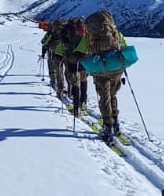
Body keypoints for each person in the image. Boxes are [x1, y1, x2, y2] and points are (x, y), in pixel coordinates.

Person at [74, 9, 129, 141]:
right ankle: (116, 123)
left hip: (100, 70)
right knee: (112, 95)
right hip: (117, 68)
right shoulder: (115, 33)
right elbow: (125, 47)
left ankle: (107, 126)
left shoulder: (90, 36)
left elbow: (80, 52)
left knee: (104, 97)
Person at [56, 17, 88, 115]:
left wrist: (60, 57)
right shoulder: (85, 29)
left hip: (72, 60)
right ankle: (83, 102)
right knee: (84, 80)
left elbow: (62, 43)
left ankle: (76, 107)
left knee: (75, 83)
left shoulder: (67, 30)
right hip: (85, 58)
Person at [41, 20, 66, 96]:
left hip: (52, 52)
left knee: (52, 67)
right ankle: (61, 86)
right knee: (60, 69)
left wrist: (43, 52)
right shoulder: (63, 32)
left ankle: (53, 82)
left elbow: (43, 42)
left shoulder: (50, 32)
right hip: (61, 52)